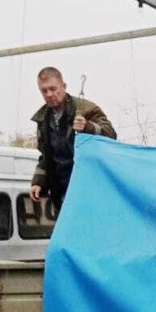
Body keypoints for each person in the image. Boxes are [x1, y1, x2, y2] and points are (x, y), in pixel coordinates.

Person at [30, 67, 117, 214]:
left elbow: (110, 134)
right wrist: (38, 182)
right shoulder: (43, 119)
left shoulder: (87, 109)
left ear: (64, 87)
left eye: (53, 89)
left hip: (90, 188)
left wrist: (87, 127)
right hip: (62, 194)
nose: (49, 94)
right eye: (44, 91)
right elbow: (46, 158)